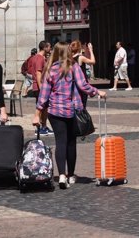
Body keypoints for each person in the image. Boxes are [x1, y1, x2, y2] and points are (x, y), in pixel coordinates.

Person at [32, 42, 107, 189]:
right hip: (71, 111)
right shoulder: (74, 66)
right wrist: (97, 92)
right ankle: (71, 175)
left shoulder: (50, 69)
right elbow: (83, 85)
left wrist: (37, 114)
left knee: (60, 142)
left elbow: (44, 95)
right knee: (71, 143)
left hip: (54, 112)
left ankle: (61, 175)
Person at [28, 41, 53, 135]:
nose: (50, 49)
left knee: (44, 108)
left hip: (39, 86)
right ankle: (41, 128)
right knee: (42, 108)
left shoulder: (38, 58)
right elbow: (38, 73)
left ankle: (44, 126)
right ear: (45, 47)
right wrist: (41, 87)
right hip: (40, 87)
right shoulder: (39, 58)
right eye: (49, 47)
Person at [70, 40, 96, 107]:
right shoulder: (80, 57)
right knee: (83, 103)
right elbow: (93, 62)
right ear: (79, 48)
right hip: (82, 81)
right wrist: (91, 50)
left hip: (73, 82)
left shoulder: (69, 58)